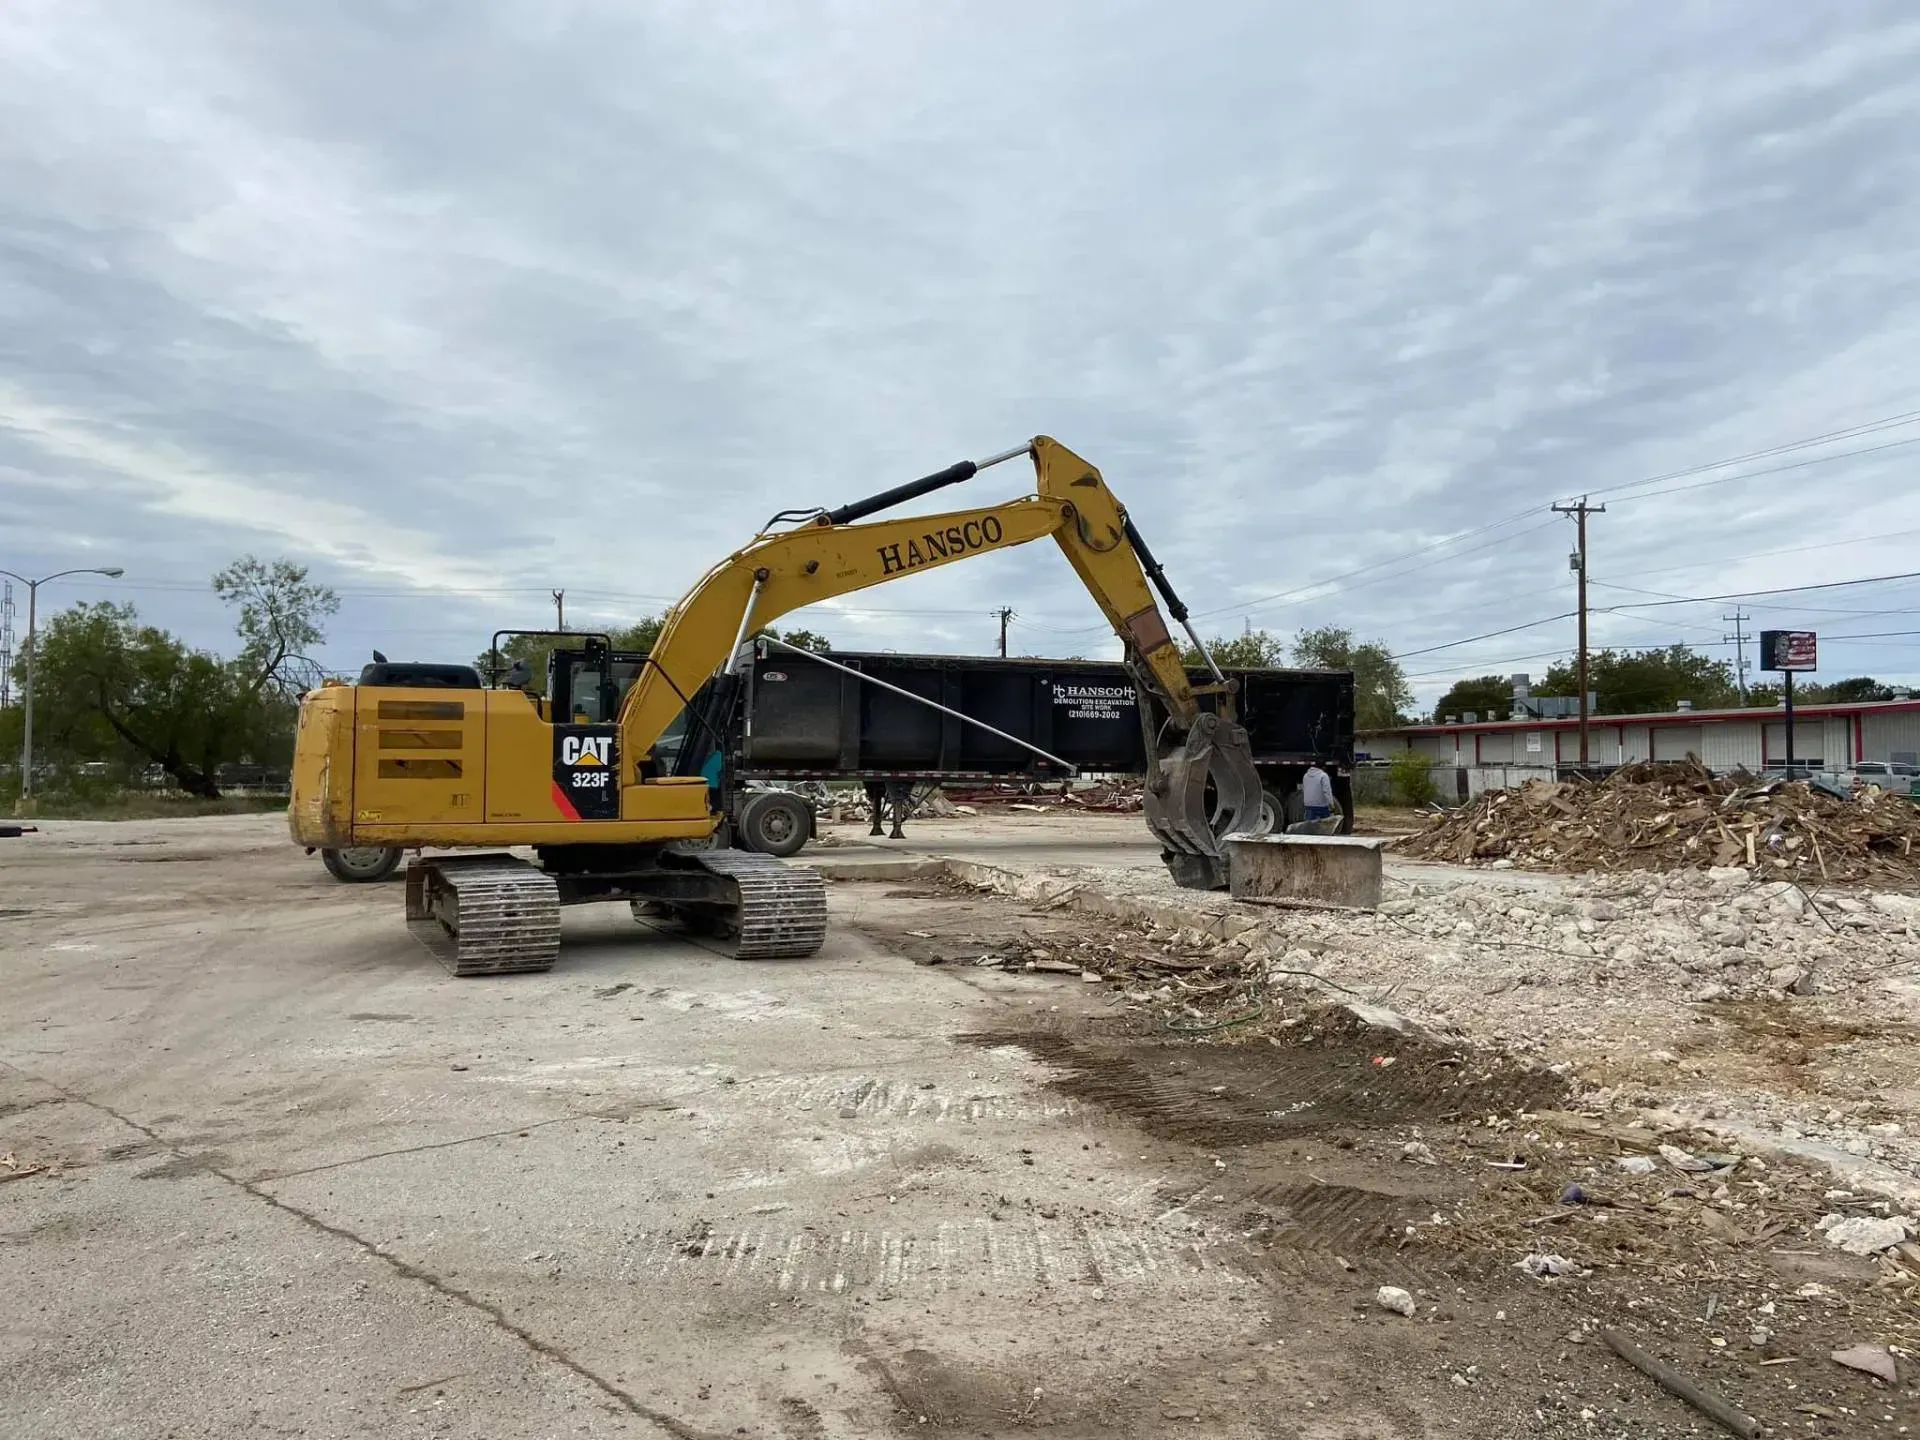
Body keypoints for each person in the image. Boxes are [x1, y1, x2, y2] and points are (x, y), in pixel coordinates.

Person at [1301, 759, 1335, 825]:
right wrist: (1332, 805)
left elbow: (1304, 790)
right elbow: (1327, 792)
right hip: (1321, 807)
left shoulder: (1305, 776)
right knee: (1325, 827)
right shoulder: (1323, 776)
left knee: (1309, 829)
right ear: (1323, 767)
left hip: (1308, 806)